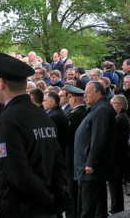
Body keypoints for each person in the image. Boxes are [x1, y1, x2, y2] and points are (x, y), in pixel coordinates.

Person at [0, 52, 68, 218]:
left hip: (21, 208)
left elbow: (16, 172)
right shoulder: (42, 115)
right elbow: (58, 162)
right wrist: (56, 199)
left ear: (1, 83)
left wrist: (46, 199)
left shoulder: (8, 121)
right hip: (45, 205)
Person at [74, 81, 116, 218]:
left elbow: (99, 138)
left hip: (92, 169)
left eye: (88, 92)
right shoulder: (97, 108)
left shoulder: (102, 109)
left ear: (98, 92)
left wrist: (90, 162)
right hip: (90, 168)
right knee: (96, 206)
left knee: (89, 209)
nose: (85, 95)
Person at [64, 85, 87, 218]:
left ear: (74, 98)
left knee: (72, 187)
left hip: (72, 153)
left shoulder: (76, 114)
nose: (68, 100)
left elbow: (69, 135)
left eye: (69, 97)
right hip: (76, 153)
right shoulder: (82, 111)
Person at [108, 94, 130, 214]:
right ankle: (117, 208)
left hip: (117, 158)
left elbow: (114, 139)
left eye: (113, 103)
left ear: (120, 105)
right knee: (115, 186)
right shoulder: (122, 117)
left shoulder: (119, 118)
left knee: (115, 186)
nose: (111, 106)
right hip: (120, 156)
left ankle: (116, 209)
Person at [43, 91, 69, 156]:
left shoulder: (54, 116)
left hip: (55, 153)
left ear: (53, 101)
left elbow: (50, 139)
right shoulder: (56, 113)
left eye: (45, 100)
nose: (43, 103)